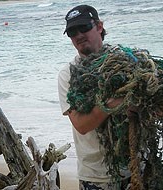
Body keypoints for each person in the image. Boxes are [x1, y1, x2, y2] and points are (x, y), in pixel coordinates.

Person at [58, 5, 130, 190]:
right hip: (97, 177)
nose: (79, 35)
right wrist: (115, 102)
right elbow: (82, 125)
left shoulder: (127, 61)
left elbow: (155, 110)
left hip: (139, 168)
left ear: (99, 26)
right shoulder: (68, 75)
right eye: (72, 32)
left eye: (84, 27)